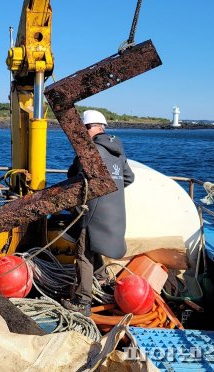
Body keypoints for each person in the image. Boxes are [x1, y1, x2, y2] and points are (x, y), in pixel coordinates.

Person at [62, 110, 135, 316]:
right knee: (96, 246)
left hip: (94, 212)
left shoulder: (89, 150)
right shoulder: (117, 151)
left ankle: (82, 301)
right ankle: (103, 280)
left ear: (89, 128)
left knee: (83, 253)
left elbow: (74, 176)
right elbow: (128, 178)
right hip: (114, 212)